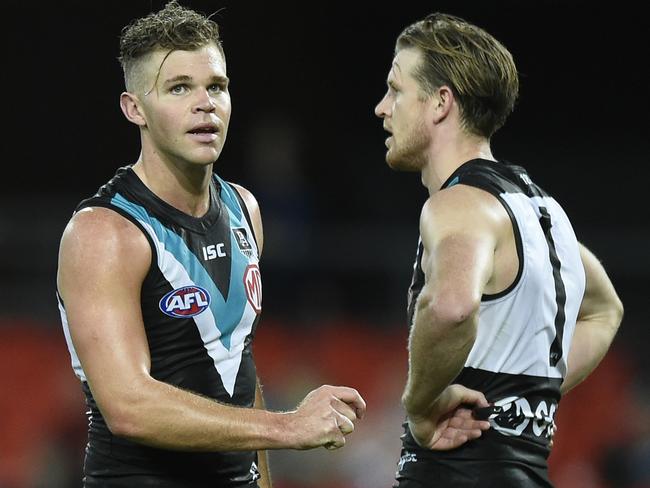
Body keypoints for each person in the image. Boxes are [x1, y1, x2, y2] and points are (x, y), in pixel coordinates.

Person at [55, 2, 368, 487]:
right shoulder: (104, 232)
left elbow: (238, 366)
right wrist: (289, 427)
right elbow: (128, 405)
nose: (206, 104)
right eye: (179, 88)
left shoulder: (246, 209)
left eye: (216, 87)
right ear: (134, 108)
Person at [374, 12, 624, 487]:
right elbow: (604, 310)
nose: (382, 107)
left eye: (396, 89)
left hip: (456, 473)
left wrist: (419, 406)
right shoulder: (543, 213)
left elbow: (450, 306)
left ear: (440, 103)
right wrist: (529, 397)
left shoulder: (458, 206)